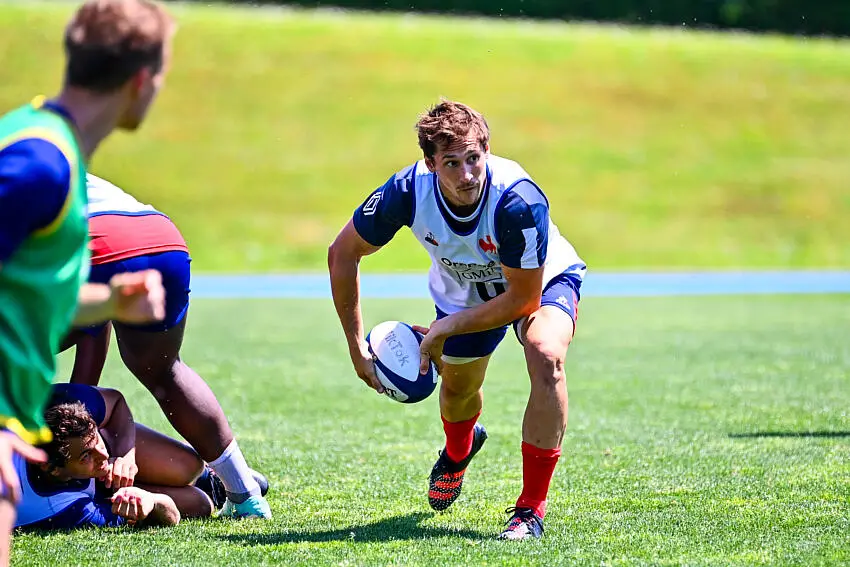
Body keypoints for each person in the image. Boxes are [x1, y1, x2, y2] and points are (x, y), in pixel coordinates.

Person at [328, 100, 587, 540]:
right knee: (457, 391)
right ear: (430, 164)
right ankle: (458, 450)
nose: (467, 174)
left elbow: (523, 300)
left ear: (486, 149)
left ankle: (530, 510)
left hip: (541, 282)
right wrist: (356, 348)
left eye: (474, 158)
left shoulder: (517, 201)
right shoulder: (408, 191)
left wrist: (446, 327)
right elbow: (343, 253)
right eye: (452, 163)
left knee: (546, 355)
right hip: (463, 291)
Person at [0, 0, 174, 561]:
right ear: (142, 81)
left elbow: (31, 294)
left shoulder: (43, 142)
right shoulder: (41, 162)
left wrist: (109, 301)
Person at [60, 173, 272, 520]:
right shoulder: (31, 149)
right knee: (164, 369)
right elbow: (94, 327)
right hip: (158, 236)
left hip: (94, 244)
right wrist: (86, 414)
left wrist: (81, 415)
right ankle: (244, 493)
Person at [15, 383, 214, 530]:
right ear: (51, 468)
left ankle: (207, 477)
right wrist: (150, 501)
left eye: (96, 441)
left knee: (190, 465)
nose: (103, 455)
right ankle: (210, 486)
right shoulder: (65, 510)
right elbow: (170, 516)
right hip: (92, 494)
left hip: (80, 458)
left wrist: (125, 455)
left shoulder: (61, 403)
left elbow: (116, 401)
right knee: (200, 504)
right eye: (87, 456)